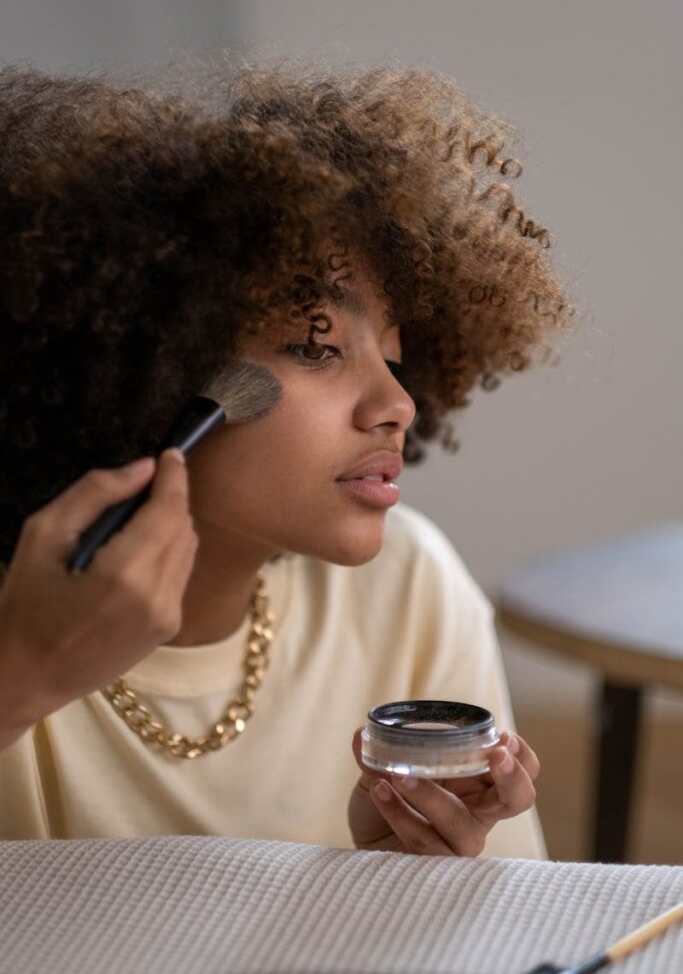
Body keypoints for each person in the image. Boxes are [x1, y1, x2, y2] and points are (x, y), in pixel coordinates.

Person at [0, 58, 575, 856]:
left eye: (393, 354)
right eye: (318, 348)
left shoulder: (406, 584)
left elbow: (515, 937)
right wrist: (20, 676)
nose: (396, 407)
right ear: (144, 370)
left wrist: (397, 882)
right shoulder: (18, 619)